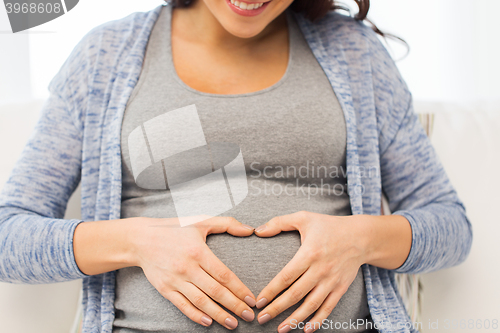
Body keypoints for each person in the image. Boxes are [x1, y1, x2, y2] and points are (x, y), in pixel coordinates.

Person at [0, 0, 473, 332]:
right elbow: (8, 237)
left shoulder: (356, 56)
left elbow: (450, 226)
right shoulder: (106, 57)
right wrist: (137, 242)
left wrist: (360, 239)